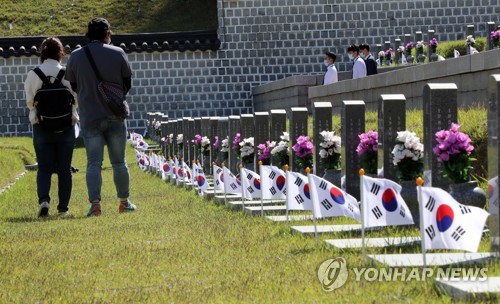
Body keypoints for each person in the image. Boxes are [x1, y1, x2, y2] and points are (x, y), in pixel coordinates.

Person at [65, 18, 136, 216]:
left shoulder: (76, 56)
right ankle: (124, 202)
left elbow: (74, 86)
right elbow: (127, 83)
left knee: (93, 163)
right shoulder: (118, 53)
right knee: (119, 162)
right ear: (107, 34)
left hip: (90, 116)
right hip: (114, 114)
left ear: (88, 35)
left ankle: (95, 205)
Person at [24, 37, 78, 217]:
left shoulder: (33, 74)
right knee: (65, 169)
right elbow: (76, 100)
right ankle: (63, 209)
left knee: (44, 168)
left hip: (41, 126)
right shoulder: (67, 73)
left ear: (42, 53)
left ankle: (44, 201)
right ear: (60, 53)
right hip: (66, 127)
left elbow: (30, 102)